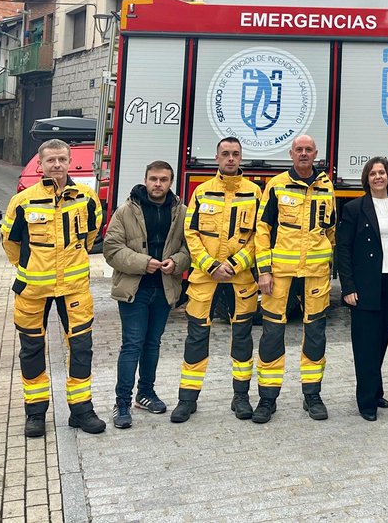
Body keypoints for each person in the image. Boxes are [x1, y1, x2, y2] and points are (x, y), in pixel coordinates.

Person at [1, 138, 105, 438]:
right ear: (40, 164)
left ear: (70, 161)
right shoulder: (23, 200)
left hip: (74, 288)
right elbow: (10, 242)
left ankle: (82, 410)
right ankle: (35, 414)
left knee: (82, 349)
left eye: (62, 159)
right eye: (51, 160)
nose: (57, 165)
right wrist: (30, 267)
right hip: (32, 291)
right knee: (31, 351)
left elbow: (90, 234)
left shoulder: (86, 198)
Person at [170, 138, 262, 424]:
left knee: (242, 339)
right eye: (226, 154)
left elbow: (261, 236)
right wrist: (211, 266)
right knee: (196, 338)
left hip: (240, 279)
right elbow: (191, 234)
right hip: (205, 279)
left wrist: (235, 264)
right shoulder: (202, 191)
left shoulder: (254, 192)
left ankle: (241, 396)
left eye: (235, 154)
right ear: (217, 157)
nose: (231, 159)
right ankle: (187, 399)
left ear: (241, 157)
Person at [103, 160, 191, 429]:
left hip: (164, 290)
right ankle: (122, 403)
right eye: (153, 178)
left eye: (163, 179)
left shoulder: (181, 212)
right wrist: (144, 262)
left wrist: (176, 262)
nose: (158, 184)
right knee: (132, 345)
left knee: (153, 345)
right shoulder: (126, 211)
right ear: (145, 179)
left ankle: (146, 393)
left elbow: (191, 248)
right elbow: (111, 249)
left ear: (171, 182)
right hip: (134, 290)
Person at [255, 134, 336, 423]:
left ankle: (312, 395)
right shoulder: (276, 186)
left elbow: (330, 231)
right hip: (280, 275)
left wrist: (327, 262)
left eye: (308, 150)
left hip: (315, 276)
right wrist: (263, 271)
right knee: (272, 336)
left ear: (316, 154)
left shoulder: (326, 187)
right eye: (299, 150)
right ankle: (267, 398)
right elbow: (262, 231)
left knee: (315, 337)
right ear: (291, 154)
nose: (303, 154)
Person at [336, 157, 388, 421]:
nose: (378, 177)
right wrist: (347, 286)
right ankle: (365, 401)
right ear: (366, 178)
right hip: (364, 286)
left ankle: (375, 390)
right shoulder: (355, 208)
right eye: (373, 173)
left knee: (382, 341)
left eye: (382, 172)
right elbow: (343, 249)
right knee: (365, 344)